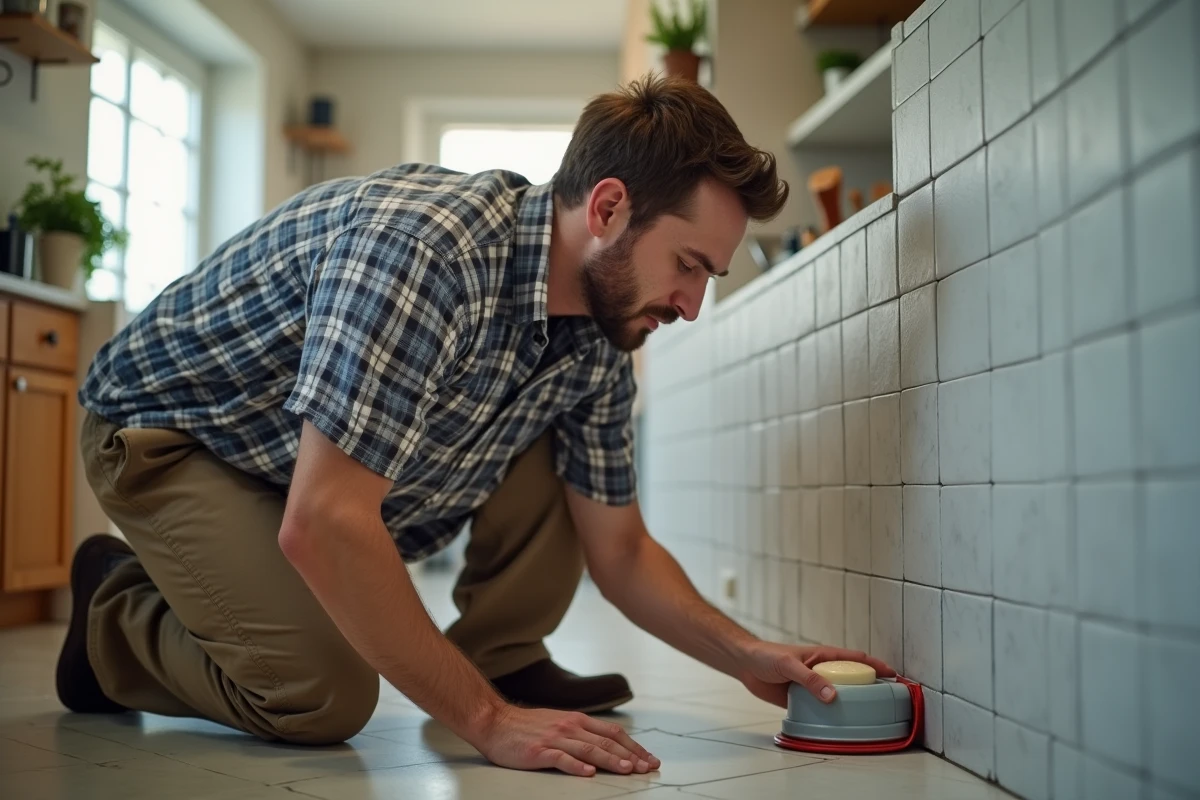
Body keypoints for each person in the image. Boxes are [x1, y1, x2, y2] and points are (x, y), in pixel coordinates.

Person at [60, 74, 894, 779]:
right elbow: (324, 522)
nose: (691, 304)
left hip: (300, 462)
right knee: (321, 696)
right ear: (607, 208)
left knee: (559, 458)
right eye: (687, 265)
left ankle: (501, 655)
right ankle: (113, 611)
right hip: (181, 438)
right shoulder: (428, 255)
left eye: (707, 275)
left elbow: (622, 549)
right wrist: (487, 723)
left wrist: (747, 654)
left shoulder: (602, 336)